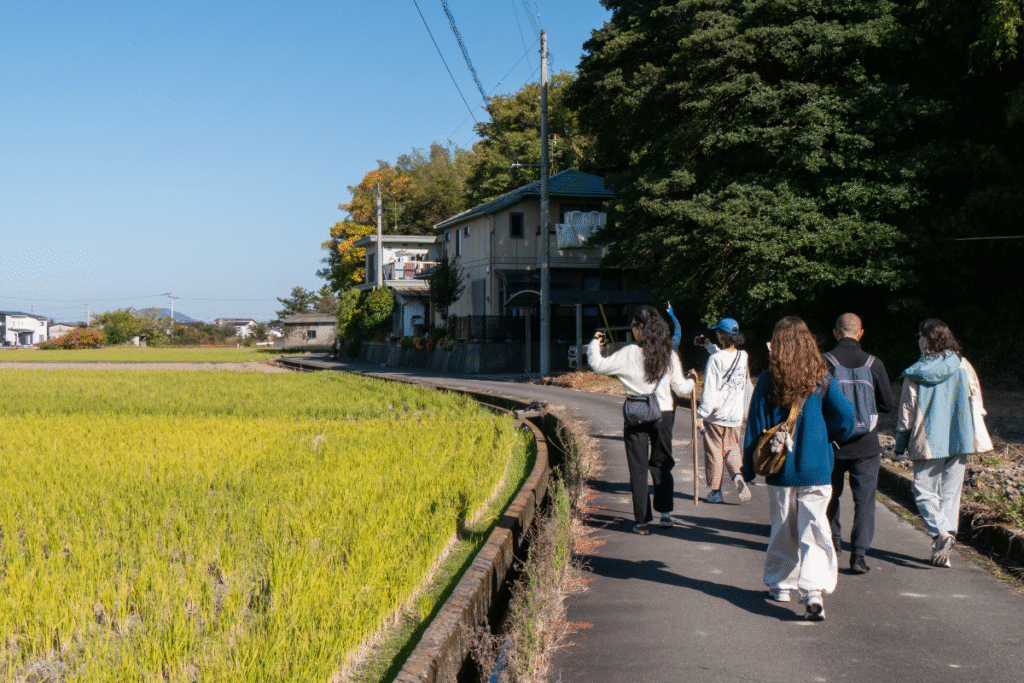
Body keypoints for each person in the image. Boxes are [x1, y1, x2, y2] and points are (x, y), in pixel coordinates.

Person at [741, 317, 855, 621]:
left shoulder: (768, 380)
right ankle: (813, 592)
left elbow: (755, 426)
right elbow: (846, 416)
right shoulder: (821, 377)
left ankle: (780, 584)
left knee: (783, 526)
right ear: (809, 343)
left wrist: (748, 468)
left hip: (781, 470)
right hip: (818, 467)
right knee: (815, 528)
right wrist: (826, 437)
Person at [588, 305, 695, 535]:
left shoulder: (628, 353)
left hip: (636, 412)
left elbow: (598, 366)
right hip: (664, 414)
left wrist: (595, 343)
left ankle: (642, 522)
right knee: (662, 463)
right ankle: (665, 515)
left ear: (640, 328)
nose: (632, 331)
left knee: (637, 468)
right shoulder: (669, 354)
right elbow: (683, 389)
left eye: (633, 327)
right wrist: (693, 380)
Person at [894, 319, 985, 568]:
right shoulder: (963, 364)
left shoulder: (917, 371)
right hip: (959, 436)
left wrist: (900, 443)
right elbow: (976, 399)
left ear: (927, 339)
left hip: (928, 438)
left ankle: (941, 533)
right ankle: (944, 548)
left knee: (923, 491)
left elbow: (906, 410)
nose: (918, 341)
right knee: (950, 494)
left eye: (919, 336)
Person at [823, 313, 896, 575]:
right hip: (866, 445)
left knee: (829, 496)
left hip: (833, 443)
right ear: (861, 333)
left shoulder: (824, 362)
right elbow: (888, 405)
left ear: (835, 332)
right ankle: (859, 555)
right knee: (865, 501)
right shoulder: (874, 364)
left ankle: (831, 545)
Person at [694, 318, 753, 504]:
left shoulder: (714, 360)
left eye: (718, 333)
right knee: (732, 449)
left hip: (716, 416)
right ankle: (737, 475)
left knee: (714, 453)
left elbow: (710, 390)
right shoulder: (743, 356)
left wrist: (700, 414)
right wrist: (709, 346)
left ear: (722, 335)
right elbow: (725, 360)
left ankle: (715, 492)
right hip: (735, 416)